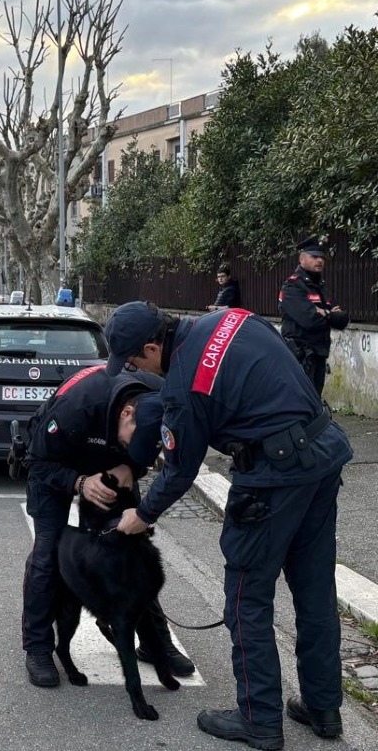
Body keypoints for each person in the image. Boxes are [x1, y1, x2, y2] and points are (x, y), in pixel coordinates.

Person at [105, 301, 353, 750]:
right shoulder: (233, 318)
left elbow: (180, 471)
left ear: (152, 347)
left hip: (272, 477)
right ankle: (323, 707)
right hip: (321, 453)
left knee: (246, 597)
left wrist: (141, 516)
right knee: (315, 590)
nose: (138, 370)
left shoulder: (184, 384)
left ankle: (259, 718)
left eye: (135, 362)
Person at [21, 366, 195, 688]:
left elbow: (150, 455)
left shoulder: (162, 397)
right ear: (127, 414)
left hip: (111, 466)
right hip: (56, 463)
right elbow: (36, 463)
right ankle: (38, 647)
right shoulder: (76, 407)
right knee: (48, 553)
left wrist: (131, 466)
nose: (138, 448)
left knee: (132, 553)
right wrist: (80, 483)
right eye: (134, 442)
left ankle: (156, 643)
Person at [279, 236, 349, 395]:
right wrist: (329, 314)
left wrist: (324, 313)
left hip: (319, 354)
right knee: (300, 400)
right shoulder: (292, 286)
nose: (319, 261)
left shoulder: (320, 286)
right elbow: (309, 320)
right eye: (314, 257)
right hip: (300, 355)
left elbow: (341, 320)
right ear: (302, 259)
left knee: (315, 399)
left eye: (322, 257)